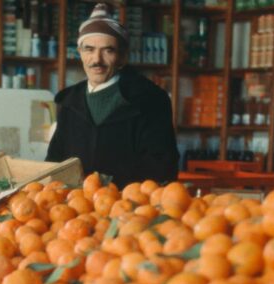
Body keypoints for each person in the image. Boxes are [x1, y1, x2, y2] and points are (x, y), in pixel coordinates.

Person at [46, 3, 179, 187]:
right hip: (73, 208)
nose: (96, 60)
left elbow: (162, 168)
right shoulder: (68, 101)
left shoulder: (150, 99)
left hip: (128, 208)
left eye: (108, 50)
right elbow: (54, 164)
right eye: (89, 49)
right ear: (80, 53)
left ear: (123, 57)